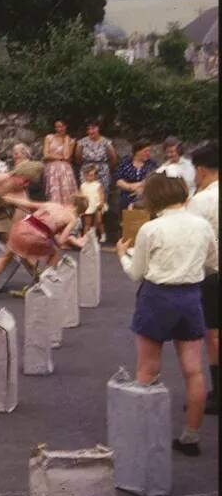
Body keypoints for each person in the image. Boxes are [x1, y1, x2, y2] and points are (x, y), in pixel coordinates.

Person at [116, 173, 217, 456]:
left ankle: (142, 436)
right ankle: (191, 436)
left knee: (148, 368)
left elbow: (136, 273)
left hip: (157, 298)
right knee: (193, 370)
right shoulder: (203, 226)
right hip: (190, 297)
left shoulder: (151, 229)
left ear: (155, 198)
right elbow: (213, 263)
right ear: (183, 194)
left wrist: (123, 253)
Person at [0, 194, 89, 288]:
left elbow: (28, 204)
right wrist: (66, 238)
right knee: (54, 253)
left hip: (22, 228)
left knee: (6, 256)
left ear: (71, 203)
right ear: (80, 211)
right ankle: (44, 282)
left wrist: (11, 199)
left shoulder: (52, 205)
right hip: (37, 236)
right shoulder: (72, 219)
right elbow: (60, 242)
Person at [187, 142, 219, 415]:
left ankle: (217, 393)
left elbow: (190, 236)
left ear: (200, 170)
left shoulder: (202, 199)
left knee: (214, 334)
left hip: (213, 273)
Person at [75, 120, 118, 195]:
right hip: (86, 170)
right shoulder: (81, 142)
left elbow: (113, 158)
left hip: (102, 171)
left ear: (98, 128)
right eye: (88, 129)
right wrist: (87, 167)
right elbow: (78, 158)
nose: (91, 131)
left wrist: (106, 167)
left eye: (93, 128)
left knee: (101, 194)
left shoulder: (106, 142)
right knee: (86, 193)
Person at [116, 140, 158, 210]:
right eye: (146, 151)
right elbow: (119, 181)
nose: (148, 154)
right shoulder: (125, 162)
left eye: (149, 151)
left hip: (145, 197)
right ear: (137, 151)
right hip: (127, 196)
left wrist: (142, 187)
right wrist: (131, 187)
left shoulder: (152, 164)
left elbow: (154, 179)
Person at [42, 119, 78, 204]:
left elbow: (66, 156)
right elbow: (46, 155)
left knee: (67, 194)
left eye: (62, 126)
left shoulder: (69, 140)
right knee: (54, 194)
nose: (60, 129)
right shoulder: (49, 137)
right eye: (57, 127)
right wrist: (59, 158)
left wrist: (66, 139)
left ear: (65, 127)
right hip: (52, 169)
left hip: (65, 170)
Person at [79, 164, 108, 242]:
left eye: (92, 175)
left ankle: (102, 234)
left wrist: (101, 203)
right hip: (88, 206)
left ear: (95, 176)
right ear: (85, 175)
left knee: (99, 221)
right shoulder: (83, 185)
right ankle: (85, 237)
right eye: (88, 175)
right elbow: (81, 196)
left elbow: (102, 195)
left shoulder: (98, 185)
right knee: (87, 223)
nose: (90, 177)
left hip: (97, 204)